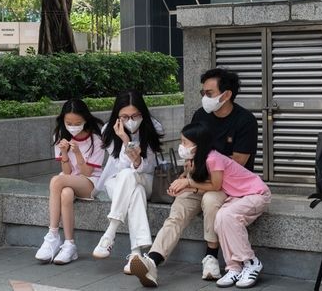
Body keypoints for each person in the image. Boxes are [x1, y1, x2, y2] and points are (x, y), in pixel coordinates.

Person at [128, 68, 258, 285]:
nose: (204, 98)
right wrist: (183, 179)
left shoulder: (245, 121)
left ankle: (211, 258)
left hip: (227, 185)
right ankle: (152, 260)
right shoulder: (200, 115)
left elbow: (238, 164)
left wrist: (192, 178)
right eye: (203, 92)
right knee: (178, 209)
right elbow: (190, 150)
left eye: (209, 93)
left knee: (211, 200)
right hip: (196, 179)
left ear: (226, 95)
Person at [131, 122, 270, 289]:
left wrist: (189, 183)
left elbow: (216, 186)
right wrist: (181, 182)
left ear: (198, 144)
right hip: (230, 193)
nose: (181, 146)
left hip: (245, 192)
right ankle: (153, 260)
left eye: (184, 142)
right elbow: (191, 177)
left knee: (221, 212)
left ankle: (231, 260)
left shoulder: (214, 158)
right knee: (189, 214)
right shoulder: (194, 158)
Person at [92, 89, 162, 274]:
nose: (130, 120)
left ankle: (110, 233)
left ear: (142, 113)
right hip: (117, 181)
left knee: (132, 178)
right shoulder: (108, 130)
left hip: (146, 179)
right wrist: (124, 139)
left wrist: (138, 160)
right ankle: (135, 254)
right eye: (125, 116)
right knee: (132, 187)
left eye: (135, 115)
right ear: (117, 116)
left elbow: (149, 167)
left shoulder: (153, 127)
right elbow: (121, 166)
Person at [35, 99, 106, 265]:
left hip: (90, 182)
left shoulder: (96, 139)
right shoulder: (60, 135)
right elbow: (67, 171)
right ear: (63, 121)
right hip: (70, 180)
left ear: (86, 120)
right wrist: (64, 152)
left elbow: (87, 172)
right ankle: (69, 244)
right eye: (69, 123)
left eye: (78, 123)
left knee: (55, 180)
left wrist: (78, 153)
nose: (73, 126)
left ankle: (52, 235)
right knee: (65, 193)